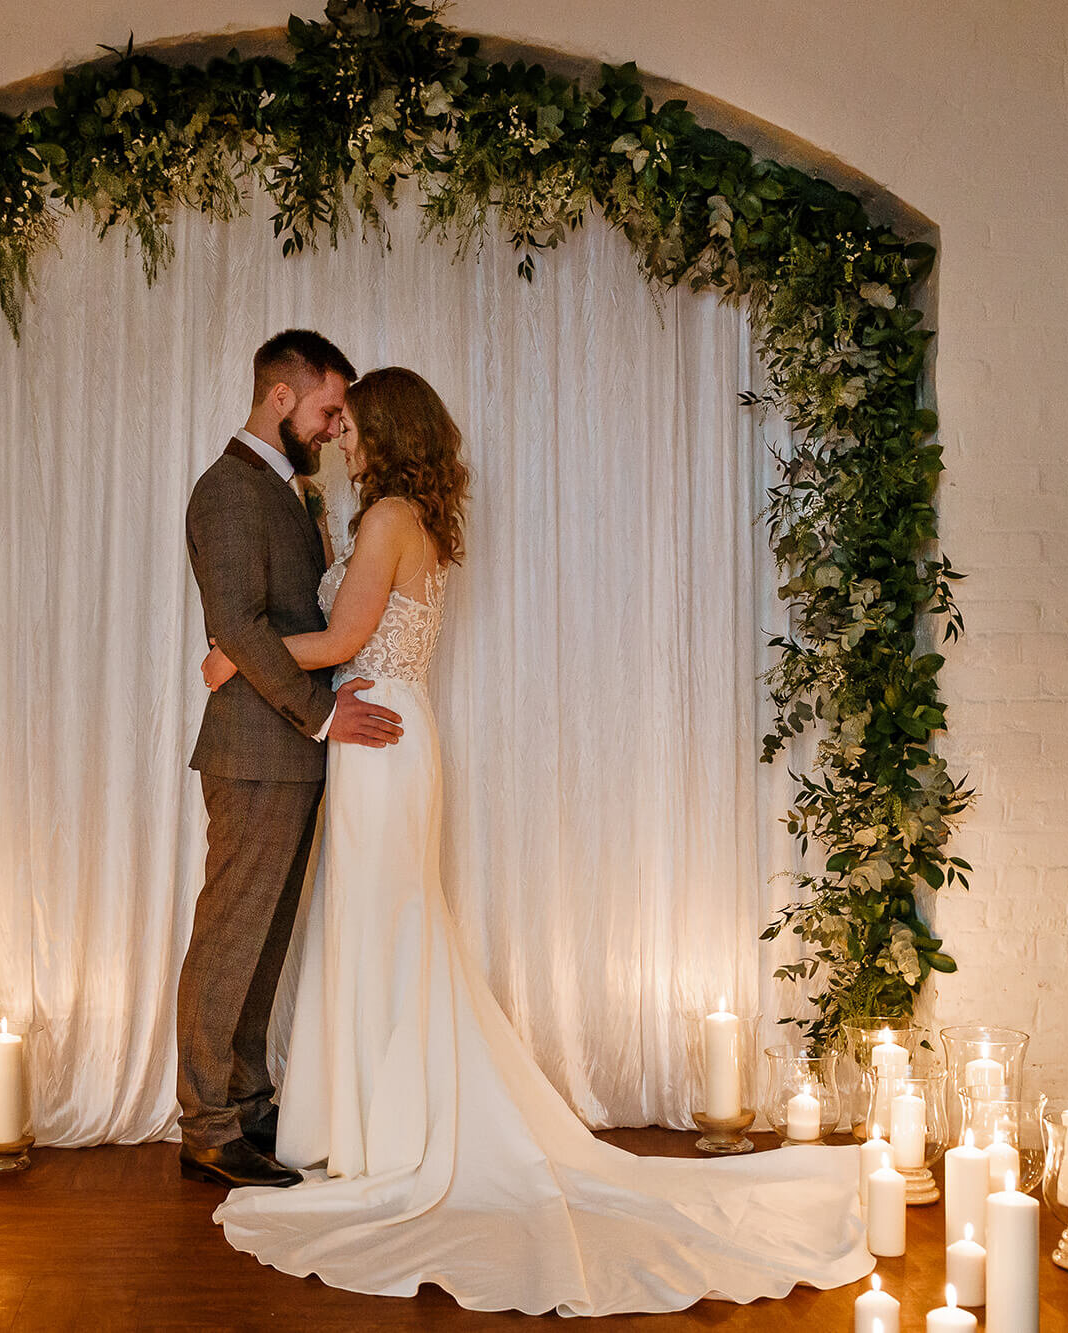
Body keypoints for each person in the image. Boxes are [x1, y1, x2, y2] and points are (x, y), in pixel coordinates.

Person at [202, 367, 873, 1315]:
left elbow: (349, 629)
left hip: (380, 736)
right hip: (389, 728)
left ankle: (392, 1137)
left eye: (351, 427)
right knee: (385, 926)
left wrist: (238, 653)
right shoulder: (406, 515)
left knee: (385, 927)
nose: (340, 441)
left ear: (386, 431)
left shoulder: (390, 515)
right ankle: (374, 1125)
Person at [176, 330, 405, 1191]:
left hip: (291, 754)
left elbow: (270, 625)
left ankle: (245, 1100)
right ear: (282, 397)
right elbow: (235, 623)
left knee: (265, 944)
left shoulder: (291, 492)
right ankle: (205, 1125)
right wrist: (322, 715)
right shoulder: (228, 490)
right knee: (230, 938)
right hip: (255, 752)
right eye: (325, 409)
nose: (330, 426)